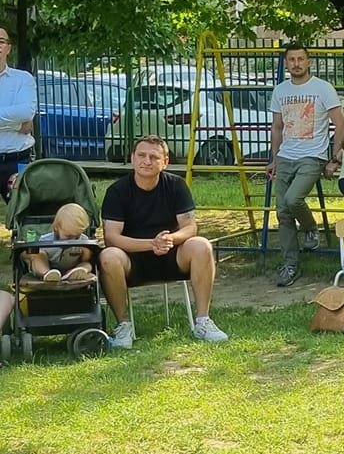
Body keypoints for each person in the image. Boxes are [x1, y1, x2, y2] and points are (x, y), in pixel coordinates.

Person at [99, 135, 228, 347]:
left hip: (171, 255)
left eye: (154, 157)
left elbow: (190, 227)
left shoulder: (176, 186)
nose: (146, 161)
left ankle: (203, 321)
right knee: (108, 256)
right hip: (132, 260)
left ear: (165, 162)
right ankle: (123, 326)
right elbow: (111, 237)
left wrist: (169, 239)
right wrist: (151, 243)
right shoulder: (117, 191)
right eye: (141, 155)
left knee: (201, 245)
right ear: (132, 158)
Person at [268, 46, 344, 287]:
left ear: (308, 61)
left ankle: (311, 228)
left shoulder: (323, 88)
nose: (296, 63)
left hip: (313, 155)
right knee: (283, 212)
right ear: (286, 63)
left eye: (301, 59)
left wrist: (335, 157)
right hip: (286, 156)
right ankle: (290, 265)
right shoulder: (280, 90)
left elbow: (340, 124)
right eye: (292, 59)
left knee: (293, 199)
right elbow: (277, 127)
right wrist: (274, 158)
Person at [0, 23, 37, 204]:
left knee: (24, 212)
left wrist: (21, 119)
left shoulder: (23, 79)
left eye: (1, 41)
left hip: (18, 159)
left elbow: (27, 111)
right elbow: (22, 118)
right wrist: (16, 125)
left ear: (8, 48)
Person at [23, 202, 97, 283]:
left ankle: (73, 273)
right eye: (68, 236)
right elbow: (28, 255)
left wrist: (86, 251)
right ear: (56, 228)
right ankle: (47, 274)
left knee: (87, 264)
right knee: (39, 255)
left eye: (77, 236)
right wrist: (32, 254)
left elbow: (85, 259)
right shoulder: (46, 240)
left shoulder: (82, 240)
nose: (73, 240)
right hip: (49, 268)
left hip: (72, 267)